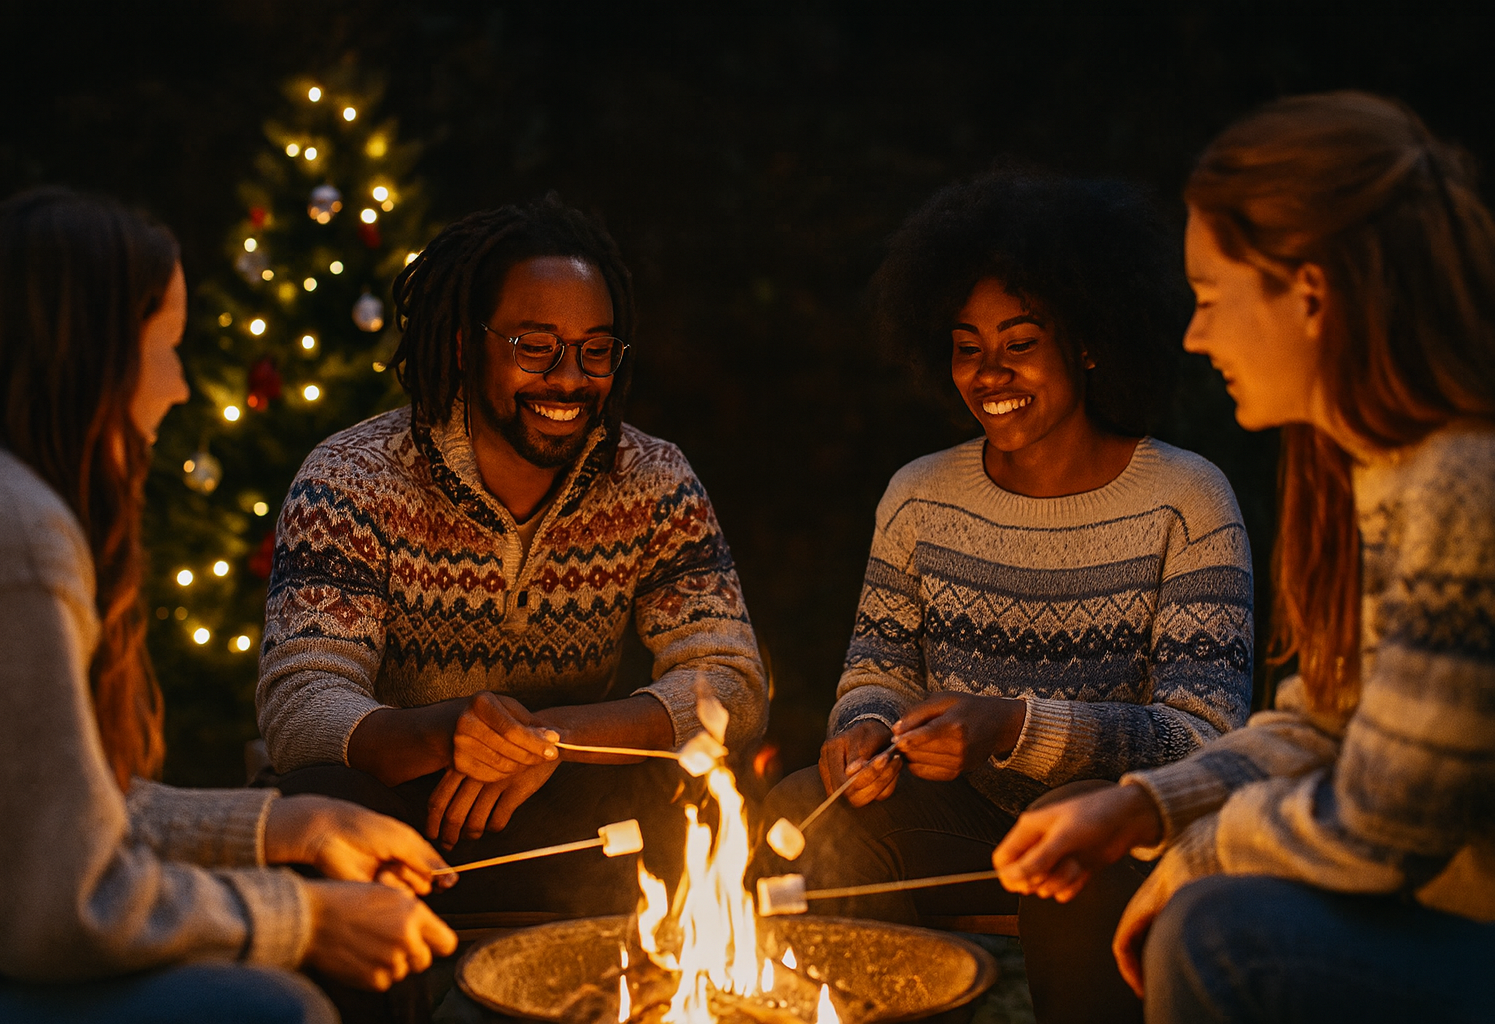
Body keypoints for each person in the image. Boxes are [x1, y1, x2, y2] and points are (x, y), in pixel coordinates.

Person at [991, 92, 1495, 1024]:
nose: (1194, 335)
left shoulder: (1462, 488)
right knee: (1136, 888)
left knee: (1219, 929)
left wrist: (1199, 852)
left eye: (1214, 299)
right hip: (1433, 916)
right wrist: (1139, 810)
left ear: (1309, 294)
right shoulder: (1370, 475)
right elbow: (1321, 728)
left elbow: (1389, 822)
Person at [756, 170, 1254, 1024]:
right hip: (963, 824)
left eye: (1021, 341)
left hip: (1117, 830)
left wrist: (1011, 724)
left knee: (1070, 818)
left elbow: (1206, 741)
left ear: (1088, 342)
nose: (991, 372)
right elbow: (875, 670)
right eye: (967, 345)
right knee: (808, 805)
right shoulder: (920, 495)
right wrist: (864, 734)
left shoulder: (1186, 498)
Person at [0, 188, 459, 1023]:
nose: (182, 388)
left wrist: (286, 827)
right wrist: (304, 922)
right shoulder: (10, 532)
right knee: (265, 1008)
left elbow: (62, 811)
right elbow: (61, 904)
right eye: (169, 349)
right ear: (94, 355)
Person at [256, 194, 766, 917]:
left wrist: (550, 740)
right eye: (536, 346)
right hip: (400, 813)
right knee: (317, 799)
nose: (568, 378)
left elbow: (732, 682)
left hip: (575, 811)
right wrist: (445, 732)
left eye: (595, 350)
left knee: (708, 787)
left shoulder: (651, 481)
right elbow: (301, 706)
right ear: (467, 345)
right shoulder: (352, 481)